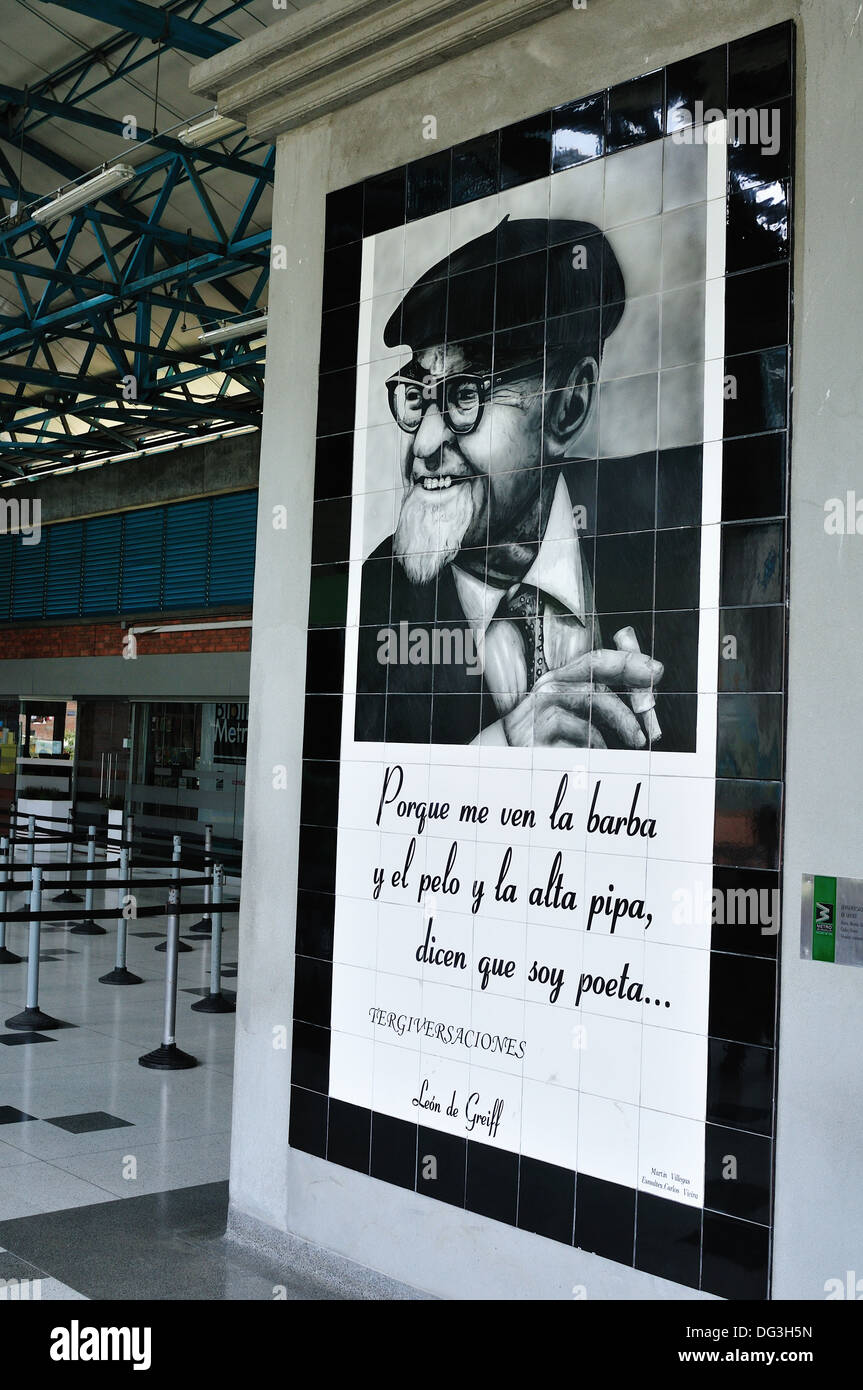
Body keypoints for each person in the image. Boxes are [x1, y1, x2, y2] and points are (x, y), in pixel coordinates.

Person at [355, 215, 666, 748]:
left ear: (570, 405)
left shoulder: (674, 532)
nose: (425, 445)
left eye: (464, 395)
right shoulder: (373, 602)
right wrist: (499, 749)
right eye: (417, 395)